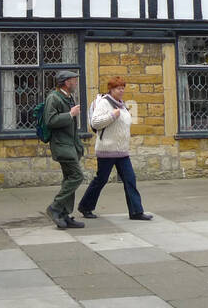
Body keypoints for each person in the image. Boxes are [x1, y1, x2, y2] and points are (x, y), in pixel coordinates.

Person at [78, 76, 152, 221]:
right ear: (111, 89)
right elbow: (96, 122)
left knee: (130, 179)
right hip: (107, 151)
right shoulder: (105, 103)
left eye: (123, 88)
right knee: (101, 180)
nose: (122, 90)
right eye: (119, 88)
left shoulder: (121, 104)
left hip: (122, 151)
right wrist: (113, 115)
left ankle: (136, 212)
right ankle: (85, 207)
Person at [42, 70, 86, 229]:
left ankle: (64, 214)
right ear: (66, 82)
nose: (75, 83)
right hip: (61, 146)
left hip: (70, 145)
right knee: (76, 177)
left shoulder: (67, 97)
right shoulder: (53, 98)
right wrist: (70, 114)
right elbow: (50, 120)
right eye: (74, 80)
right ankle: (55, 207)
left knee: (69, 180)